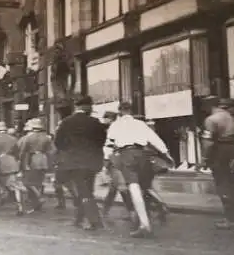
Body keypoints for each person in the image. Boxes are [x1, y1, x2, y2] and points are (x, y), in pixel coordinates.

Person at [106, 102, 173, 237]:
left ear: (119, 111)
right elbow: (155, 139)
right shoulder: (140, 124)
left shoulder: (115, 125)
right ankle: (155, 209)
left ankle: (145, 224)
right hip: (142, 154)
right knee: (144, 186)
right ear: (131, 111)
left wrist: (108, 160)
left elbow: (109, 144)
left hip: (126, 154)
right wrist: (167, 154)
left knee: (134, 187)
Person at [54, 95, 106, 231]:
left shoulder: (66, 122)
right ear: (87, 106)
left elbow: (58, 142)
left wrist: (70, 151)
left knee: (83, 192)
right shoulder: (95, 122)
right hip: (92, 162)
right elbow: (101, 141)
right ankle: (80, 218)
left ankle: (94, 221)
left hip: (74, 162)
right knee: (88, 190)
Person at [201, 97, 234, 229]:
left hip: (220, 153)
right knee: (231, 184)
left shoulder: (211, 120)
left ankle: (231, 218)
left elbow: (208, 143)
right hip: (233, 150)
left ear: (208, 106)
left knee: (223, 185)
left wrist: (205, 159)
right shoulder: (231, 117)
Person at [18, 118, 52, 213]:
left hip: (33, 159)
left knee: (28, 182)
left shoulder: (28, 138)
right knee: (39, 181)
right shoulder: (46, 137)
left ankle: (39, 197)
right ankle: (37, 202)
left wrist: (21, 161)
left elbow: (23, 151)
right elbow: (51, 151)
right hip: (43, 159)